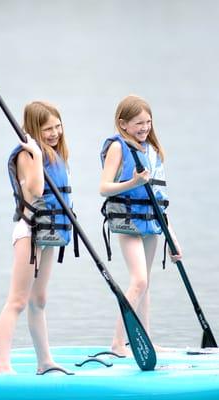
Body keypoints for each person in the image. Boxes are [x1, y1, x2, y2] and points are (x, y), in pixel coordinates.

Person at [99, 94, 182, 356]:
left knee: (146, 285)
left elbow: (159, 201)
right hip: (128, 222)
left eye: (148, 122)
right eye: (138, 123)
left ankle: (145, 338)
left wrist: (172, 238)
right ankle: (117, 343)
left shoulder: (153, 151)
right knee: (139, 282)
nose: (145, 127)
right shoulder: (118, 147)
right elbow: (104, 187)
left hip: (152, 223)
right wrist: (132, 183)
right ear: (123, 124)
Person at [0, 101, 73, 374]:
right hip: (29, 232)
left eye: (57, 126)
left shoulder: (54, 154)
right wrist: (37, 155)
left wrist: (44, 153)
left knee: (39, 300)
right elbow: (37, 190)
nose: (54, 133)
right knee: (17, 300)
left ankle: (45, 361)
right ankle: (2, 365)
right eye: (47, 129)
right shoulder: (28, 155)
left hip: (49, 234)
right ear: (33, 130)